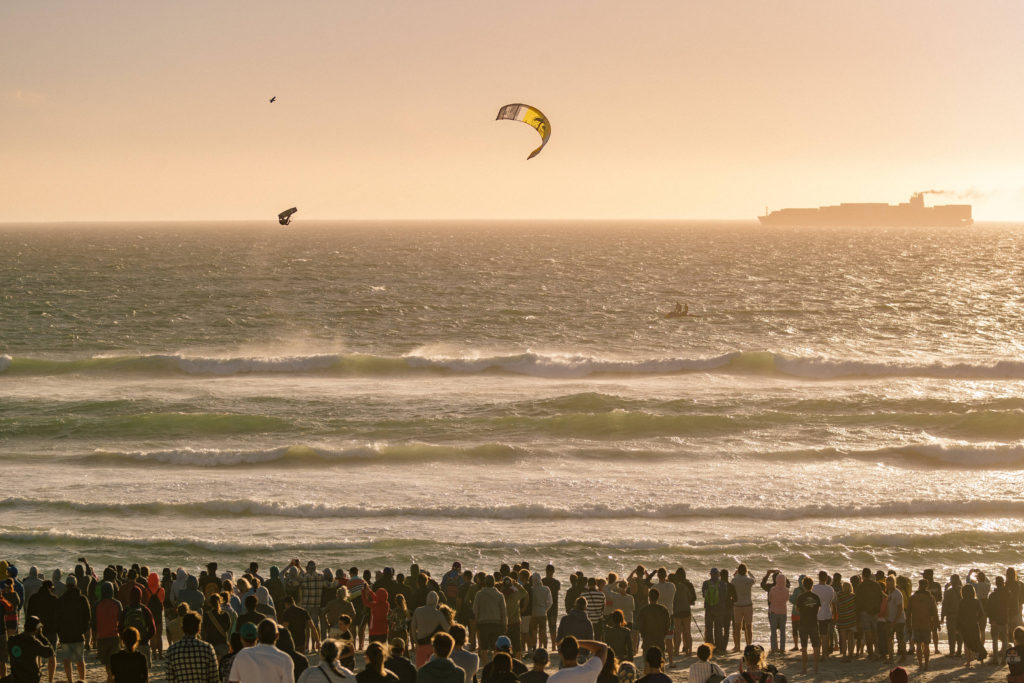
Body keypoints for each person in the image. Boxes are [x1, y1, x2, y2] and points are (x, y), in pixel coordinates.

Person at [227, 618, 293, 683]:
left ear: (257, 636)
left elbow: (233, 681)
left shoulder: (243, 654)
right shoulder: (285, 659)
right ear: (277, 636)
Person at [166, 611, 220, 683]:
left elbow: (169, 679)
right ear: (199, 630)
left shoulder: (172, 650)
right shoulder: (207, 648)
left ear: (182, 629)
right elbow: (214, 678)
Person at [55, 576, 90, 683]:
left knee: (67, 660)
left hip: (65, 634)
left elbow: (57, 618)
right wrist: (84, 630)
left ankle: (70, 680)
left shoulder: (61, 599)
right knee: (80, 659)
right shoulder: (82, 599)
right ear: (76, 584)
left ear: (66, 585)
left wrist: (59, 632)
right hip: (78, 634)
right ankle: (82, 679)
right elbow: (88, 617)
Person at [6, 615, 54, 683]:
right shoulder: (33, 643)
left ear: (25, 626)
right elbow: (50, 652)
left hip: (16, 677)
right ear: (36, 629)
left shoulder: (12, 640)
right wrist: (41, 636)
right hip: (31, 678)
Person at [472, 577, 506, 667]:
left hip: (483, 624)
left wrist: (477, 621)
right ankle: (495, 666)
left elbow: (475, 610)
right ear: (494, 583)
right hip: (496, 624)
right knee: (496, 647)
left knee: (484, 648)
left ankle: (485, 666)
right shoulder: (499, 595)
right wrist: (504, 624)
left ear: (485, 583)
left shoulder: (479, 594)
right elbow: (503, 611)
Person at [411, 593, 451, 668]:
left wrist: (415, 640)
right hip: (433, 646)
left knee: (420, 669)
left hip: (421, 643)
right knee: (433, 669)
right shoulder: (438, 613)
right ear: (437, 601)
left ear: (427, 600)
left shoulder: (418, 611)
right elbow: (448, 629)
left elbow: (413, 628)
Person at [907, 579, 938, 671]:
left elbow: (908, 613)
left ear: (919, 585)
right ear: (927, 586)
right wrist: (936, 623)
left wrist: (908, 625)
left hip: (916, 624)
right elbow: (934, 612)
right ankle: (926, 665)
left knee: (918, 645)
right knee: (926, 645)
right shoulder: (930, 598)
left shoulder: (912, 598)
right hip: (926, 624)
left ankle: (920, 665)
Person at [633, 591, 669, 668]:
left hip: (647, 639)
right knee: (661, 661)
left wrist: (643, 634)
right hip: (660, 638)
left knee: (647, 662)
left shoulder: (644, 610)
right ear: (658, 597)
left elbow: (640, 626)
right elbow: (667, 625)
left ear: (649, 597)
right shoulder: (663, 609)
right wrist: (663, 634)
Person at [792, 577, 820, 674]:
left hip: (803, 623)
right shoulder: (816, 597)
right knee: (816, 646)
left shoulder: (800, 597)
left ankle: (804, 669)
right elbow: (817, 609)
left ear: (803, 585)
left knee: (804, 647)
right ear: (812, 585)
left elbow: (798, 609)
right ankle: (816, 668)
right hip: (813, 623)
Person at [957, 584, 987, 666]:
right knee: (977, 642)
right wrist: (976, 619)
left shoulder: (961, 602)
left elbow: (958, 615)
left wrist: (957, 627)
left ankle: (968, 662)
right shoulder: (976, 601)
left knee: (967, 643)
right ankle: (981, 661)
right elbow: (981, 614)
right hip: (974, 624)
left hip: (964, 625)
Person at [810, 571, 835, 658]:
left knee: (818, 634)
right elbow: (831, 601)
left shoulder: (814, 588)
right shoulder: (830, 589)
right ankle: (825, 653)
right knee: (825, 634)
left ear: (818, 577)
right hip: (827, 612)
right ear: (826, 578)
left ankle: (819, 653)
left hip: (817, 613)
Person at [731, 565, 755, 653]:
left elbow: (732, 584)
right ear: (745, 571)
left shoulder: (735, 580)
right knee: (749, 626)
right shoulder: (748, 580)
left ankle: (737, 646)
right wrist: (749, 572)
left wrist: (736, 575)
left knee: (737, 627)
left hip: (737, 605)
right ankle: (749, 645)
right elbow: (754, 579)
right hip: (748, 605)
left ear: (738, 571)